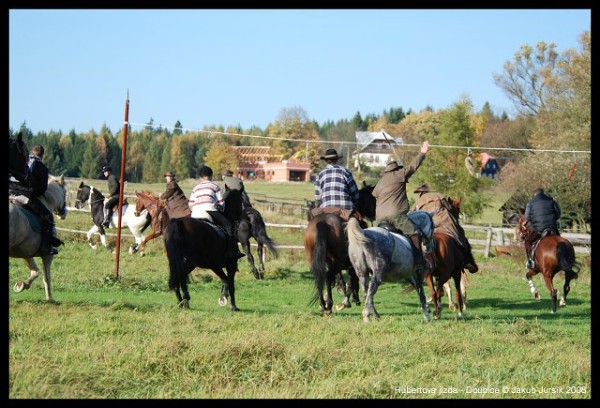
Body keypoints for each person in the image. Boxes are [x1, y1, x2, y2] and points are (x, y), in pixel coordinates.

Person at [372, 141, 430, 273]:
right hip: (396, 216)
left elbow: (374, 195)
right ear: (396, 169)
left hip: (379, 219)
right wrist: (423, 153)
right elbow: (413, 166)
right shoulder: (400, 174)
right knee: (415, 233)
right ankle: (419, 262)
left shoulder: (379, 183)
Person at [8, 144, 63, 255]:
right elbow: (41, 190)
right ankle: (46, 247)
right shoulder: (41, 167)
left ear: (32, 152)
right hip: (25, 198)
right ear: (42, 155)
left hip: (9, 193)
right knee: (48, 217)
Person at [412, 184, 478, 273]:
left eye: (419, 192)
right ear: (428, 191)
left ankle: (418, 262)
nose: (419, 194)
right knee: (460, 234)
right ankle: (467, 261)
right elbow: (449, 207)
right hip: (443, 220)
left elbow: (411, 213)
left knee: (420, 242)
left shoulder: (417, 202)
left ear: (420, 193)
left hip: (428, 225)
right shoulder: (438, 195)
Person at [188, 165, 245, 260]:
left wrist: (195, 210)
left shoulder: (195, 188)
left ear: (200, 177)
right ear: (211, 176)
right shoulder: (214, 186)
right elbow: (221, 203)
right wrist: (220, 209)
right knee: (229, 226)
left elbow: (190, 204)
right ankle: (232, 251)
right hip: (210, 211)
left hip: (195, 213)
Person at [312, 148, 362, 223]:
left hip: (326, 209)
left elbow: (317, 197)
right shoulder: (345, 171)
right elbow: (355, 194)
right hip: (345, 209)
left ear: (326, 160)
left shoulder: (320, 174)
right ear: (337, 159)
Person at [524, 187, 561, 269]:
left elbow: (527, 217)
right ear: (543, 193)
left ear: (534, 194)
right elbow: (558, 214)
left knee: (527, 241)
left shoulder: (530, 203)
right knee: (561, 241)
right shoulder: (551, 201)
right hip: (552, 227)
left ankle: (530, 262)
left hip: (539, 229)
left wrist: (533, 225)